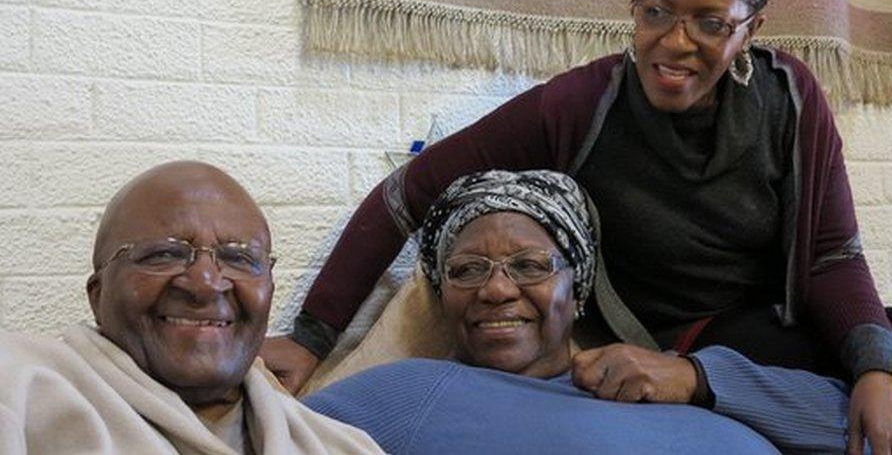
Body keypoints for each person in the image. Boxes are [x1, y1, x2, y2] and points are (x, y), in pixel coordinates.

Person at [263, 0, 892, 451]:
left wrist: (879, 366)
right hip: (656, 344)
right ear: (633, 4)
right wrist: (310, 335)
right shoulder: (579, 104)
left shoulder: (791, 99)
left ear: (751, 28)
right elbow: (407, 192)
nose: (674, 42)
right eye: (656, 13)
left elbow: (830, 255)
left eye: (709, 23)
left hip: (771, 331)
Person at [303, 170, 856, 454]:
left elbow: (862, 431)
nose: (496, 290)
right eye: (467, 270)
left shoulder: (650, 377)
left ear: (579, 289)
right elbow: (254, 433)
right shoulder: (409, 394)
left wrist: (695, 379)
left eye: (528, 266)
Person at [0, 161, 382, 454]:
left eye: (238, 258)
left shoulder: (340, 445)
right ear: (97, 294)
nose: (206, 283)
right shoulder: (18, 386)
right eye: (164, 254)